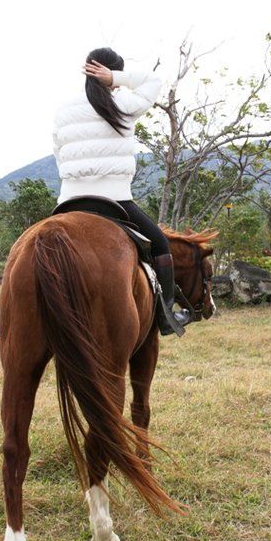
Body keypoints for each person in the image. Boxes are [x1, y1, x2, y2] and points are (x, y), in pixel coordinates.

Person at [53, 47, 191, 336]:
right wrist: (116, 78)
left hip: (69, 199)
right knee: (160, 244)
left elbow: (59, 153)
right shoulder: (123, 103)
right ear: (108, 74)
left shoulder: (65, 109)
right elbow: (153, 82)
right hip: (114, 199)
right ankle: (166, 318)